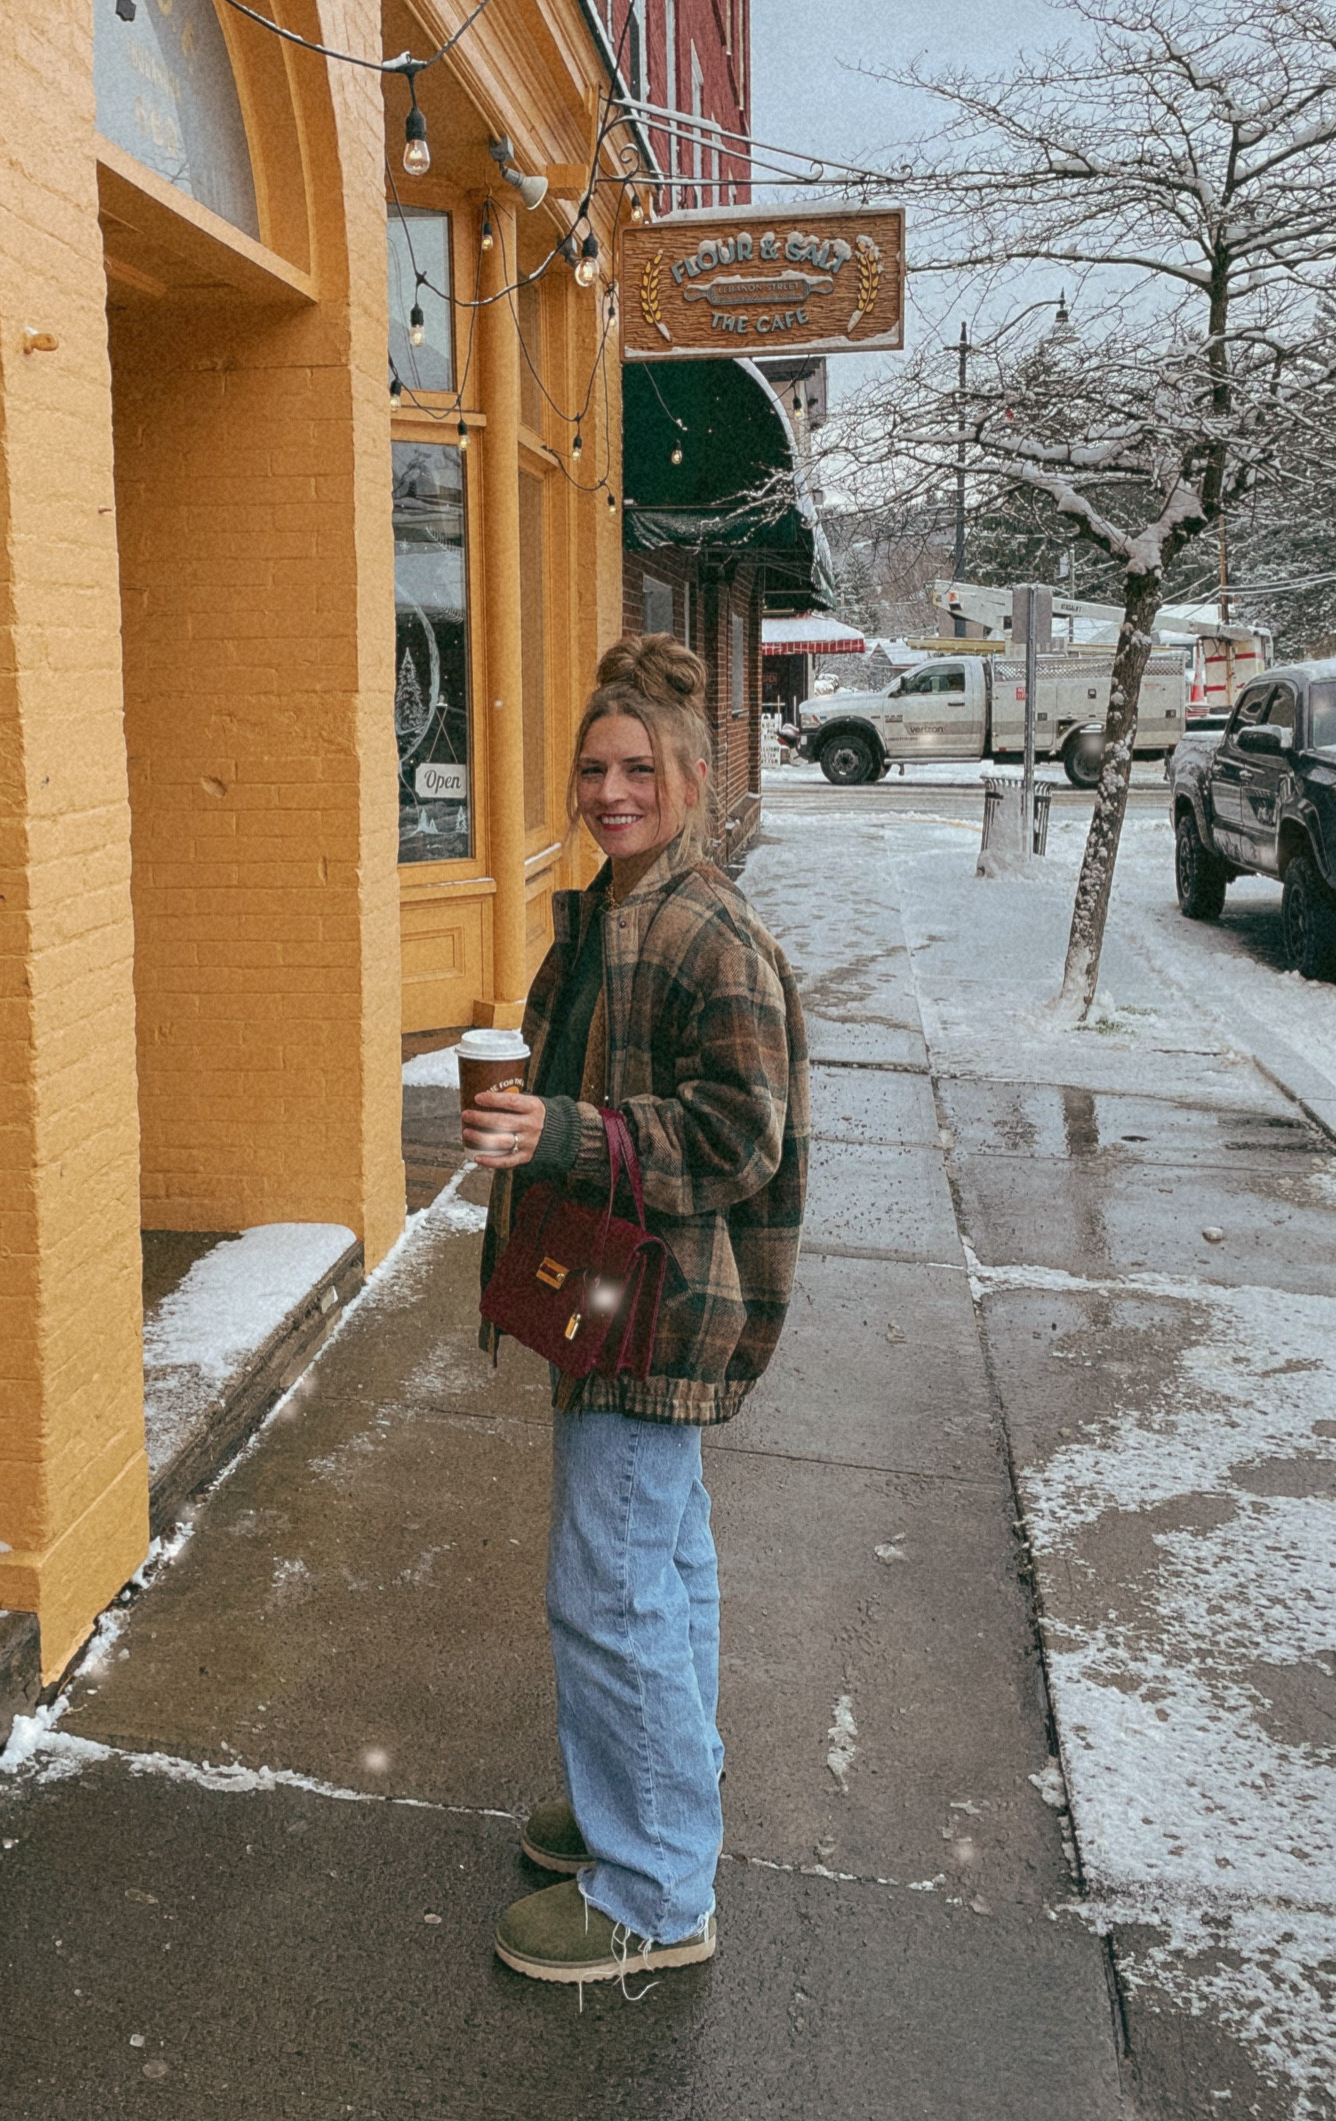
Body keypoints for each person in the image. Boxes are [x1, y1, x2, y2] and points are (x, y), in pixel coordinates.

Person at [462, 633, 809, 1989]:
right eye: (593, 767)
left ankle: (657, 1888)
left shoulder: (702, 927)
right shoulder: (615, 903)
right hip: (613, 1294)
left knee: (605, 1592)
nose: (611, 788)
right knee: (660, 1569)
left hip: (655, 1307)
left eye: (638, 767)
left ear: (696, 774)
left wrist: (563, 1126)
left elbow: (740, 1136)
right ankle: (652, 1799)